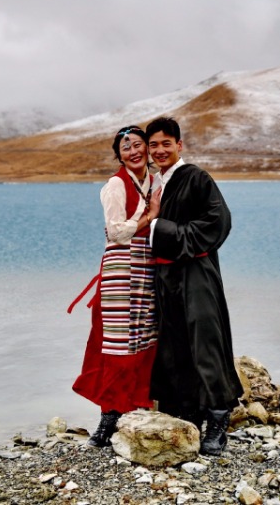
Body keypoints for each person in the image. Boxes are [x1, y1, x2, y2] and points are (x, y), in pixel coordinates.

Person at [144, 116, 242, 456]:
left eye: (165, 144)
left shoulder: (196, 177)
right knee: (173, 343)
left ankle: (218, 420)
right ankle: (186, 413)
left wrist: (162, 229)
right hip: (166, 278)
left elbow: (219, 222)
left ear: (179, 145)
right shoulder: (156, 183)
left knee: (205, 340)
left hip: (197, 273)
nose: (159, 150)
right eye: (153, 145)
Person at [69, 125, 162, 447]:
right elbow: (116, 232)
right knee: (117, 342)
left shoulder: (156, 181)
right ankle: (108, 416)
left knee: (144, 336)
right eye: (126, 148)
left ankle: (136, 404)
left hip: (148, 267)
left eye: (138, 145)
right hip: (121, 267)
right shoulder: (114, 184)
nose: (134, 152)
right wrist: (149, 216)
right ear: (119, 155)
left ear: (147, 150)